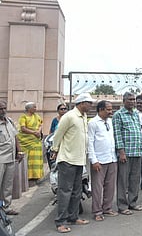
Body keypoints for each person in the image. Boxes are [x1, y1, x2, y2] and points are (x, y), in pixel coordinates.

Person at [51, 92, 95, 233]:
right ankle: (61, 222)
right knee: (65, 191)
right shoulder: (69, 116)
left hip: (79, 160)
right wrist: (55, 149)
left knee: (77, 191)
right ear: (82, 103)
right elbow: (58, 135)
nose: (91, 105)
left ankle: (73, 216)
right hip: (67, 160)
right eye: (89, 103)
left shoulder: (83, 116)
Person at [113, 92, 142, 215]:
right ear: (124, 101)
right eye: (130, 99)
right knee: (122, 180)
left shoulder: (136, 114)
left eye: (134, 99)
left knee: (135, 179)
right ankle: (122, 205)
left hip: (136, 151)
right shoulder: (118, 115)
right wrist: (121, 152)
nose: (132, 101)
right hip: (125, 153)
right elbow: (117, 134)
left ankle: (133, 202)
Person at [87, 100, 118, 221]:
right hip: (99, 160)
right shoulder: (93, 123)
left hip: (111, 158)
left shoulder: (110, 122)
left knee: (110, 186)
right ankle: (97, 211)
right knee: (97, 187)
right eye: (108, 109)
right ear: (100, 110)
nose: (111, 112)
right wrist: (94, 160)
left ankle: (107, 208)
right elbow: (89, 142)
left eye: (111, 109)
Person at [0, 100, 24, 216]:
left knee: (7, 185)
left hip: (10, 158)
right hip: (0, 159)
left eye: (4, 108)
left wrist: (19, 151)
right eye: (1, 109)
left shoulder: (9, 121)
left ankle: (6, 207)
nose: (3, 111)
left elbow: (15, 137)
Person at [17, 102, 43, 185]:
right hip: (26, 140)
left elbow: (40, 125)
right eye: (34, 107)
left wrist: (38, 132)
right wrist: (33, 132)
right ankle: (28, 176)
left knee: (36, 158)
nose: (35, 109)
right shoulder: (23, 117)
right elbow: (23, 128)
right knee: (28, 159)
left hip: (36, 140)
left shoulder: (37, 116)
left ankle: (36, 175)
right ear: (28, 108)